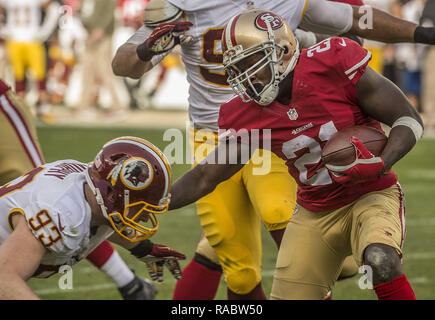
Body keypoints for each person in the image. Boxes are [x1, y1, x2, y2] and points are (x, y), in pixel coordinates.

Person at [112, 0, 433, 300]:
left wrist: (382, 161)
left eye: (253, 64)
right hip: (302, 199)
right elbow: (205, 176)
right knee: (235, 255)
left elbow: (404, 113)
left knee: (373, 255)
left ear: (283, 52)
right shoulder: (247, 110)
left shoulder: (334, 61)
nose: (246, 79)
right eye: (238, 69)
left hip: (367, 193)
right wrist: (153, 200)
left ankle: (350, 257)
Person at [0, 135, 185, 299]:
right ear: (112, 195)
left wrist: (142, 248)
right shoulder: (59, 213)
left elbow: (99, 220)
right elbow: (4, 280)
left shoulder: (92, 192)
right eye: (140, 207)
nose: (144, 218)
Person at [0, 0, 60, 123]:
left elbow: (54, 8)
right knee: (19, 77)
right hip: (16, 40)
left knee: (40, 76)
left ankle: (44, 109)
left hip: (32, 41)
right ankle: (21, 109)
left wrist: (44, 31)